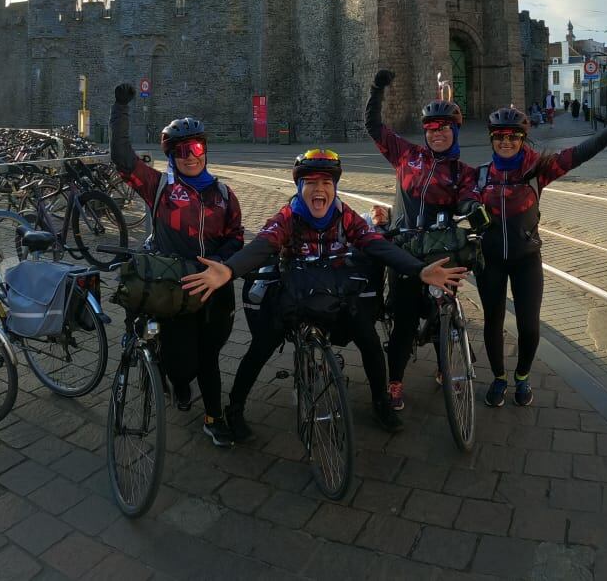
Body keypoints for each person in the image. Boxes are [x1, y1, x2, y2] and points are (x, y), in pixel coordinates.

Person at [181, 149, 468, 438]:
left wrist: (419, 270)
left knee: (368, 339)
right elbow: (263, 245)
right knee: (261, 346)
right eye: (311, 183)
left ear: (335, 187)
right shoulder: (288, 216)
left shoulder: (346, 217)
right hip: (295, 294)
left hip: (336, 292)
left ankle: (381, 402)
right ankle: (235, 409)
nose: (319, 189)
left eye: (326, 183)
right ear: (299, 187)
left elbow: (377, 245)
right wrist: (229, 270)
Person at [475, 106, 607, 407]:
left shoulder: (537, 169)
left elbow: (581, 152)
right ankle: (499, 378)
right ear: (491, 138)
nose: (506, 142)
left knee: (529, 326)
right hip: (490, 260)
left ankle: (522, 378)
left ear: (523, 138)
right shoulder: (481, 175)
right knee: (492, 322)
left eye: (513, 136)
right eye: (499, 136)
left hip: (526, 259)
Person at [110, 83, 244, 447]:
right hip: (175, 289)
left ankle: (213, 418)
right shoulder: (159, 187)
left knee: (210, 356)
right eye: (182, 151)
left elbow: (235, 237)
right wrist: (121, 107)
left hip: (214, 287)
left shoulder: (223, 194)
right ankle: (178, 382)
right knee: (183, 364)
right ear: (172, 155)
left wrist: (220, 263)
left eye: (196, 148)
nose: (191, 156)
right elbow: (123, 159)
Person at [365, 69, 476, 411]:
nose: (437, 134)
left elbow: (470, 199)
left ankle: (448, 366)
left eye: (444, 128)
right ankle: (394, 381)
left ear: (454, 131)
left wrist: (475, 211)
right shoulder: (406, 155)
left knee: (445, 311)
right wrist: (377, 89)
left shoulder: (461, 172)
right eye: (431, 128)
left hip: (441, 253)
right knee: (404, 318)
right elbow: (374, 128)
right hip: (405, 250)